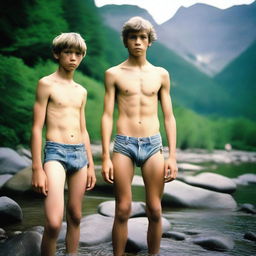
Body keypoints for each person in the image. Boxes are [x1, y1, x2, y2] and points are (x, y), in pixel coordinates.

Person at [101, 16, 178, 256]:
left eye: (142, 37)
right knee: (122, 209)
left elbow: (169, 117)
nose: (137, 42)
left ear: (149, 42)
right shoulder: (113, 74)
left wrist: (173, 156)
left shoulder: (161, 74)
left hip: (153, 145)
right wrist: (105, 156)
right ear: (125, 41)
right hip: (123, 144)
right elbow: (106, 115)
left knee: (155, 210)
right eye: (133, 37)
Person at [31, 32, 96, 256]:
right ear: (57, 54)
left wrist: (90, 165)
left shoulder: (81, 91)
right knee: (53, 222)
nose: (73, 58)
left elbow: (84, 129)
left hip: (80, 155)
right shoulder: (46, 84)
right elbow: (37, 128)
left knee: (76, 216)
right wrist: (37, 168)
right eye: (68, 52)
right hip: (55, 153)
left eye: (78, 54)